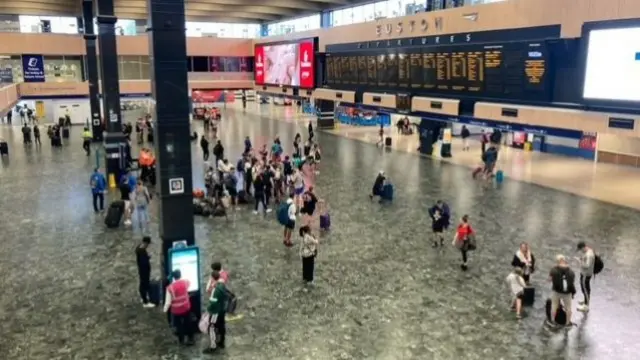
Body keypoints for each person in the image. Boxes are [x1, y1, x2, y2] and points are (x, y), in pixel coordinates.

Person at [163, 270, 194, 345]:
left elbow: (168, 302)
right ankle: (191, 338)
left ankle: (181, 340)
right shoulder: (185, 282)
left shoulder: (170, 288)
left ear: (173, 277)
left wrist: (164, 310)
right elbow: (189, 283)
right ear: (180, 275)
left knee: (179, 325)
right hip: (186, 307)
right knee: (188, 323)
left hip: (176, 310)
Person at [548, 255, 576, 328]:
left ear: (557, 261)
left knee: (554, 306)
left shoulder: (553, 270)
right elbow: (572, 281)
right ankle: (567, 323)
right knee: (568, 308)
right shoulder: (571, 271)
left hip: (556, 291)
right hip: (567, 293)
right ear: (564, 261)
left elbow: (549, 279)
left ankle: (553, 321)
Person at [203, 271, 228, 354]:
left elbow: (213, 301)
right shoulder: (222, 285)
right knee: (221, 325)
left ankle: (213, 346)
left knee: (211, 327)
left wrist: (209, 308)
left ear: (213, 278)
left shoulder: (215, 289)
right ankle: (222, 341)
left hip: (215, 311)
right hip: (222, 310)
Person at [135, 236, 155, 308]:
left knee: (142, 284)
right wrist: (148, 258)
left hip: (141, 270)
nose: (148, 246)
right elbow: (144, 262)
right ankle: (145, 302)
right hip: (144, 271)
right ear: (146, 243)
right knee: (144, 284)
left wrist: (147, 256)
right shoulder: (142, 251)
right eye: (148, 244)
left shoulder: (139, 248)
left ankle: (143, 297)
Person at [576, 241, 595, 312]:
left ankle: (586, 306)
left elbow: (587, 265)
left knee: (585, 288)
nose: (580, 251)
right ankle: (585, 300)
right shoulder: (588, 251)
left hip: (586, 274)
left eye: (581, 249)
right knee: (584, 287)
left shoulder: (589, 255)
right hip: (584, 273)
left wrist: (579, 262)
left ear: (583, 247)